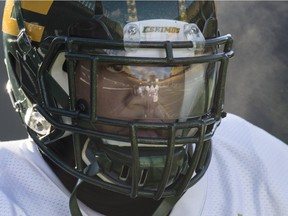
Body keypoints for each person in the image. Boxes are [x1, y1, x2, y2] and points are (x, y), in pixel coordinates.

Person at [1, 0, 288, 216]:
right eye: (116, 66)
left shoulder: (256, 163)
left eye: (175, 68)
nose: (152, 98)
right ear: (31, 75)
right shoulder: (9, 194)